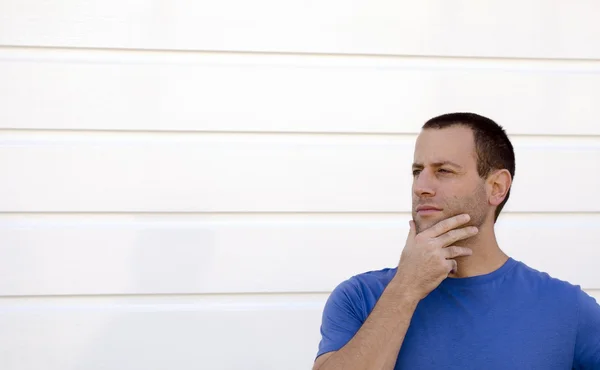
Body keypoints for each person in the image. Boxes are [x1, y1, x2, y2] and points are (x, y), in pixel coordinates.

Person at [312, 112, 600, 370]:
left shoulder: (567, 308)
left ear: (496, 187)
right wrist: (406, 289)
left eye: (444, 171)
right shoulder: (360, 298)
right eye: (417, 171)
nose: (421, 187)